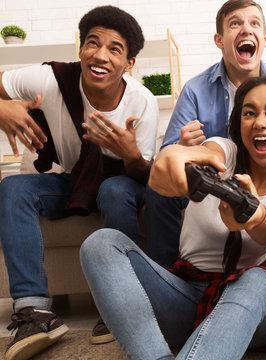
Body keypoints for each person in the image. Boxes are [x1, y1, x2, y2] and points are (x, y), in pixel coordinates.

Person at [80, 75, 266, 360]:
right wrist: (176, 156)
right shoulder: (223, 153)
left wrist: (253, 216)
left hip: (251, 312)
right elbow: (199, 154)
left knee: (259, 278)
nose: (259, 122)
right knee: (101, 244)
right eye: (249, 113)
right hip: (186, 298)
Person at [144, 0, 266, 327]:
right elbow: (174, 152)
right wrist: (182, 150)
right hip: (217, 169)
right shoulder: (196, 89)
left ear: (265, 36)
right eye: (235, 24)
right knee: (160, 193)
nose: (246, 29)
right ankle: (169, 280)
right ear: (219, 40)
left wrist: (252, 209)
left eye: (254, 23)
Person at [0, 6, 158, 358]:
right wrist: (2, 108)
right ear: (80, 48)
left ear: (130, 63)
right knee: (12, 188)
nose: (100, 55)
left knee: (115, 189)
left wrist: (131, 154)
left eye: (115, 49)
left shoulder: (141, 102)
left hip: (119, 181)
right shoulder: (51, 80)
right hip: (73, 179)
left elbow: (146, 179)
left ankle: (119, 304)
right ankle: (33, 311)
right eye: (92, 43)